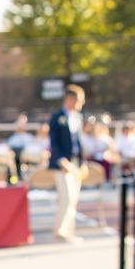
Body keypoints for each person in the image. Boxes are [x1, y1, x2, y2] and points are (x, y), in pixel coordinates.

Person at [48, 84, 85, 242]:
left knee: (74, 198)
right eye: (78, 101)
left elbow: (79, 141)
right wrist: (61, 160)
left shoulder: (77, 117)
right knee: (67, 197)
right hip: (62, 163)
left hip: (76, 162)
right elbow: (54, 142)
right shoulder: (57, 117)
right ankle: (61, 230)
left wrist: (82, 163)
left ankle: (69, 230)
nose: (80, 104)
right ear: (70, 99)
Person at [5, 113, 32, 184]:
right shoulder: (12, 139)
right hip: (16, 165)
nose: (21, 127)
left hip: (28, 164)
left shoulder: (30, 138)